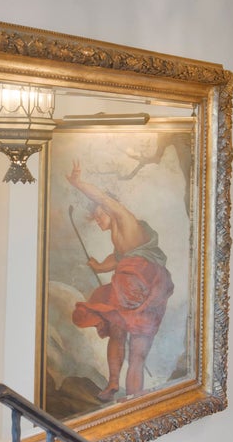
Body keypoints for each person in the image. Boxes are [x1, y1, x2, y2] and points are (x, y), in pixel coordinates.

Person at [66, 160, 176, 401]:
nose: (97, 221)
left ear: (109, 209)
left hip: (142, 282)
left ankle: (132, 395)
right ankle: (115, 383)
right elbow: (118, 258)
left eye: (99, 215)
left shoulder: (124, 218)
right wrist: (99, 266)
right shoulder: (121, 238)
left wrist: (78, 183)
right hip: (131, 283)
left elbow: (102, 198)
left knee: (136, 345)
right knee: (118, 330)